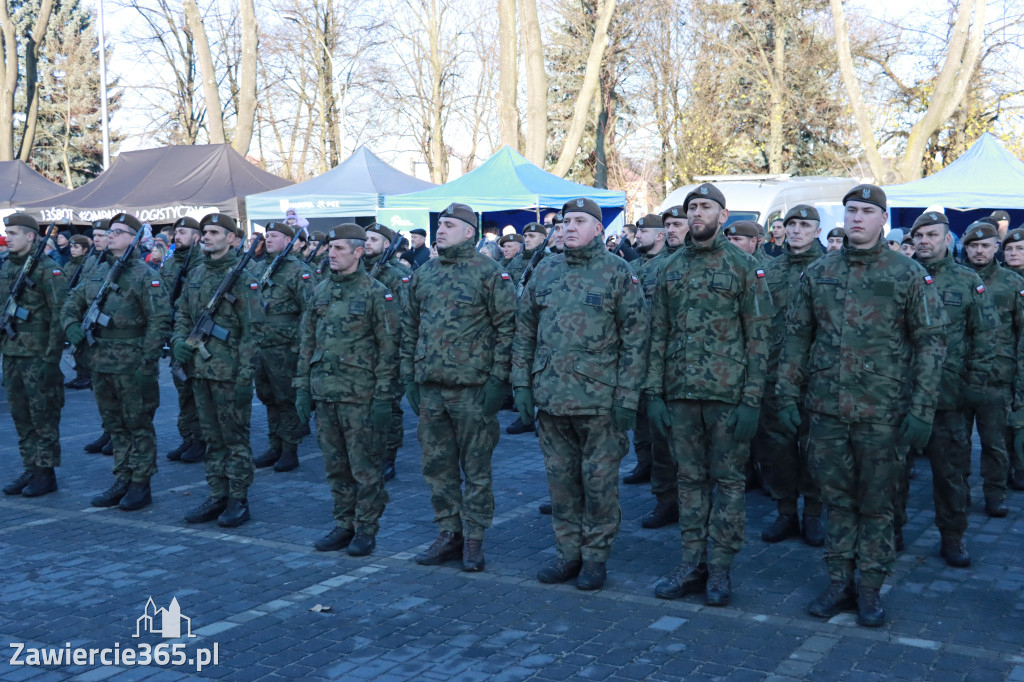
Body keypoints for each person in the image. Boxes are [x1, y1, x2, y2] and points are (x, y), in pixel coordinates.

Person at [776, 184, 947, 628]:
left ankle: (869, 587)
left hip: (883, 412)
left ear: (883, 221)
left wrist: (921, 411)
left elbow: (930, 345)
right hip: (827, 410)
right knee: (836, 501)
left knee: (876, 504)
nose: (857, 218)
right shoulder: (818, 272)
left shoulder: (907, 274)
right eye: (851, 210)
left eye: (867, 212)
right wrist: (787, 393)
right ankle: (838, 580)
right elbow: (796, 337)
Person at [645, 183, 772, 607]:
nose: (697, 213)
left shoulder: (743, 265)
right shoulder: (670, 266)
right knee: (689, 482)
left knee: (730, 484)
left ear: (724, 213)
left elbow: (758, 336)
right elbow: (657, 332)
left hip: (727, 396)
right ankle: (692, 562)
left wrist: (752, 400)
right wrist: (655, 393)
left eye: (705, 207)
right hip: (680, 396)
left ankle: (720, 567)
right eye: (692, 207)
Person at [512, 198, 647, 590]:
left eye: (579, 221)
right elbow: (524, 332)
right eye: (564, 221)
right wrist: (521, 383)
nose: (568, 227)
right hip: (552, 399)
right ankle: (567, 555)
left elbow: (636, 340)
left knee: (599, 484)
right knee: (562, 484)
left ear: (598, 230)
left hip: (600, 403)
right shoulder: (545, 270)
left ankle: (595, 557)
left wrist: (627, 399)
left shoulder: (617, 272)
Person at [402, 202, 516, 572]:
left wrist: (499, 382)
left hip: (472, 391)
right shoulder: (424, 274)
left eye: (449, 225)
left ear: (469, 232)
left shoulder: (490, 273)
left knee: (477, 470)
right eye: (439, 225)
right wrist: (410, 377)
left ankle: (474, 539)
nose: (440, 230)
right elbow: (409, 328)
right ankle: (448, 533)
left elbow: (507, 330)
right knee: (438, 467)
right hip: (431, 389)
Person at [296, 223, 399, 556]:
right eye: (330, 247)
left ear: (358, 252)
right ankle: (344, 523)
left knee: (364, 468)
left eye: (340, 248)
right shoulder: (321, 290)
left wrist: (384, 396)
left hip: (361, 397)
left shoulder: (375, 292)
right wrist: (302, 389)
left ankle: (366, 529)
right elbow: (307, 343)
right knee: (335, 466)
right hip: (326, 393)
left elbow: (388, 349)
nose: (332, 253)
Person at [62, 213, 171, 511]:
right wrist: (71, 325)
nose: (111, 236)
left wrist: (147, 364)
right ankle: (122, 477)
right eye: (110, 231)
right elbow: (72, 302)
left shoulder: (144, 274)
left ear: (134, 238)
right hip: (100, 360)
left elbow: (159, 322)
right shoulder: (96, 270)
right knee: (115, 425)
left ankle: (141, 483)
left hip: (132, 362)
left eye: (119, 232)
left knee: (138, 424)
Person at [910, 211, 996, 568]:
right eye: (919, 236)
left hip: (949, 397)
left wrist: (975, 383)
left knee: (950, 474)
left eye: (932, 235)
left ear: (948, 239)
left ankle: (953, 537)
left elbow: (986, 335)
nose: (925, 241)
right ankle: (892, 531)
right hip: (898, 396)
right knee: (892, 474)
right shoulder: (901, 275)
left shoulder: (967, 281)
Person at [170, 213, 265, 528]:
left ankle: (238, 498)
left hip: (230, 373)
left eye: (213, 232)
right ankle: (217, 493)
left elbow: (254, 333)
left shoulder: (244, 278)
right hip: (199, 369)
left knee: (234, 438)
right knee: (211, 438)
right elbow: (183, 313)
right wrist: (179, 341)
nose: (206, 237)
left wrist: (245, 379)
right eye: (204, 232)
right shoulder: (196, 273)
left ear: (232, 239)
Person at [757, 205, 824, 546]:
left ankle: (813, 513)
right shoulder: (769, 271)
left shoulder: (829, 269)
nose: (796, 230)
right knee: (778, 449)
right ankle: (786, 511)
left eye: (804, 225)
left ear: (817, 230)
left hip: (817, 377)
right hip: (774, 374)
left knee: (814, 449)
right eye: (791, 224)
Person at [0, 213, 68, 497]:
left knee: (43, 415)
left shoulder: (47, 269)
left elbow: (59, 316)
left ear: (30, 236)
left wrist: (51, 359)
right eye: (7, 233)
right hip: (12, 354)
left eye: (14, 233)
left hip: (38, 356)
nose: (8, 238)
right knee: (20, 415)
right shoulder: (5, 267)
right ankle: (31, 466)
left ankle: (45, 472)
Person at [962, 220, 1022, 517]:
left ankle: (995, 493)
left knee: (995, 442)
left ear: (996, 248)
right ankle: (958, 491)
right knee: (956, 443)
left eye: (985, 245)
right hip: (958, 376)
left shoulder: (1012, 283)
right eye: (973, 246)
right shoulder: (957, 279)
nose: (979, 251)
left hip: (998, 375)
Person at [252, 221, 315, 472]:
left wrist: (300, 347)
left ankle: (290, 449)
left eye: (274, 236)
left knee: (286, 399)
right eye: (267, 236)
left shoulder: (298, 270)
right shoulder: (257, 269)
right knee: (268, 398)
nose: (268, 239)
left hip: (286, 347)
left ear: (288, 240)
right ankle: (275, 445)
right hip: (261, 345)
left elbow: (310, 311)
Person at [629, 214, 678, 529]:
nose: (636, 236)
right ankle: (646, 468)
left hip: (667, 361)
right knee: (642, 420)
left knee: (669, 435)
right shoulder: (634, 267)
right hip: (638, 357)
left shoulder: (672, 266)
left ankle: (675, 499)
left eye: (643, 231)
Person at [363, 222, 412, 481]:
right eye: (365, 238)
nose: (368, 242)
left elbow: (404, 317)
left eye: (374, 239)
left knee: (389, 406)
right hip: (359, 355)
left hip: (387, 352)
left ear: (387, 245)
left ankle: (388, 457)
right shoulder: (355, 271)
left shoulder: (396, 276)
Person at [161, 217, 207, 464]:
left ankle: (201, 440)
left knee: (196, 390)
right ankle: (188, 437)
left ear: (197, 237)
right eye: (176, 232)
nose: (176, 236)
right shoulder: (171, 264)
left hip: (196, 334)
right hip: (175, 332)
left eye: (182, 232)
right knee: (182, 389)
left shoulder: (202, 263)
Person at [63, 235, 94, 390]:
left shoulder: (88, 263)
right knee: (76, 344)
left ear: (85, 249)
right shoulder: (69, 264)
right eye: (71, 247)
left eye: (76, 247)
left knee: (83, 344)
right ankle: (80, 374)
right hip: (72, 303)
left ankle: (86, 374)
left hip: (83, 307)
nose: (72, 250)